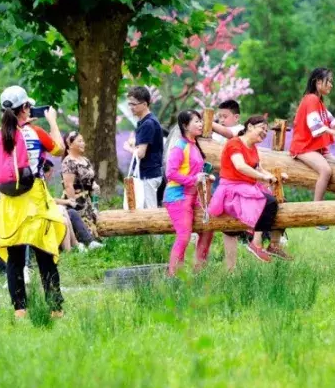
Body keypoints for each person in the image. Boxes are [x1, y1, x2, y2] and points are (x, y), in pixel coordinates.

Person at [0, 85, 66, 319]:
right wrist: (52, 121)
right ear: (26, 108)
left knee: (15, 259)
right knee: (45, 254)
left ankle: (20, 310)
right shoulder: (35, 133)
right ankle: (55, 308)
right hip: (35, 200)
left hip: (10, 202)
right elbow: (60, 149)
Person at [209, 115, 290, 264]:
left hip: (248, 187)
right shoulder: (234, 143)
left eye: (267, 131)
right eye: (262, 129)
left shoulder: (253, 148)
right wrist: (262, 177)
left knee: (281, 201)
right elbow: (240, 166)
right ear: (250, 127)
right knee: (269, 202)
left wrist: (275, 177)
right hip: (233, 189)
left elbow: (259, 168)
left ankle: (274, 245)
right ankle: (256, 243)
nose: (265, 133)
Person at [290, 67, 335, 232]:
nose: (331, 85)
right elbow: (316, 125)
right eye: (329, 81)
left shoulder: (318, 101)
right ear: (318, 82)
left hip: (318, 147)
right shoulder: (310, 99)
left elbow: (330, 118)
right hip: (304, 147)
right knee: (326, 171)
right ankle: (316, 215)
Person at [162, 110, 216, 276]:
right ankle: (174, 276)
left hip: (195, 196)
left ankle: (199, 272)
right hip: (178, 196)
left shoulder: (194, 145)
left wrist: (205, 177)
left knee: (209, 229)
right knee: (184, 236)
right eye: (196, 121)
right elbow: (170, 173)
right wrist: (194, 179)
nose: (200, 124)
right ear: (185, 126)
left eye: (200, 121)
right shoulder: (179, 147)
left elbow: (195, 171)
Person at [123, 86, 165, 209]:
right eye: (129, 104)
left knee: (149, 212)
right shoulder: (146, 121)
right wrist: (135, 141)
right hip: (149, 173)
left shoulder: (148, 124)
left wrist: (128, 148)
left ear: (145, 104)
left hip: (148, 175)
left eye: (134, 104)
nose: (131, 107)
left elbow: (141, 153)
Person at [61, 131, 100, 232]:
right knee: (82, 231)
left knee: (93, 232)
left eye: (83, 141)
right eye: (80, 141)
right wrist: (75, 205)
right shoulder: (68, 161)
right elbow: (68, 186)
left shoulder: (85, 160)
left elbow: (93, 183)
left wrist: (95, 204)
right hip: (77, 202)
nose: (83, 143)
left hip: (88, 201)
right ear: (70, 143)